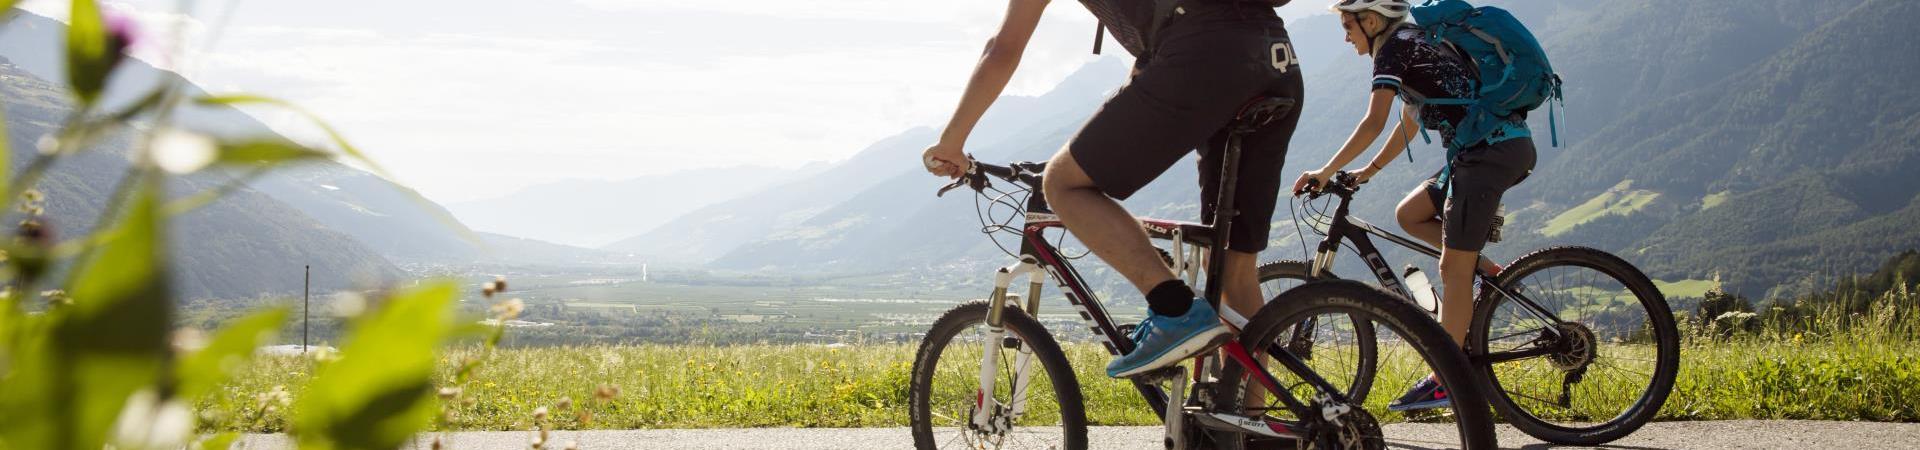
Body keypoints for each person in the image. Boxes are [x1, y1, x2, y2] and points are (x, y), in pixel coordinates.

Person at [921, 0, 1304, 379]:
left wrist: (950, 142)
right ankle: (1250, 428)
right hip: (1275, 56)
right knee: (1230, 265)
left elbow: (1002, 48)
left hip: (1205, 54)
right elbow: (1148, 67)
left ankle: (1174, 308)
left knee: (1062, 184)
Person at [1294, 0, 1537, 411]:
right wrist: (1365, 171)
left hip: (1487, 154)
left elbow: (1374, 121)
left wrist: (1325, 170)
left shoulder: (1394, 49)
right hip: (1490, 150)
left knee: (1450, 269)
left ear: (1371, 21)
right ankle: (1486, 271)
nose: (1346, 36)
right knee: (1410, 214)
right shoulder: (1416, 41)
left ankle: (1447, 379)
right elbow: (1409, 121)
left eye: (1349, 26)